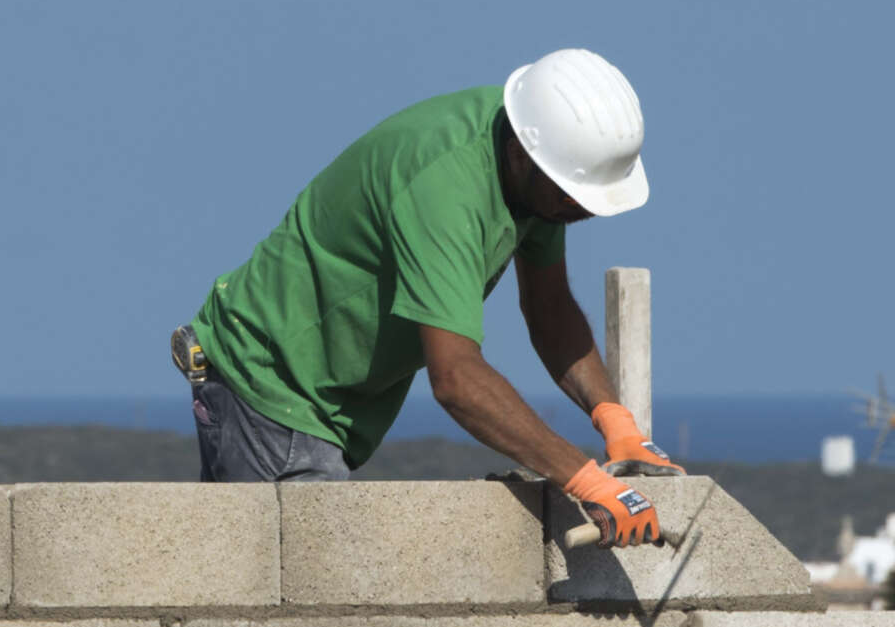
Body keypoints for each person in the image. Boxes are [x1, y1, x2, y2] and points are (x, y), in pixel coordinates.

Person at [172, 48, 674, 546]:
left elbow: (549, 307)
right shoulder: (447, 187)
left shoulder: (532, 170)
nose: (580, 209)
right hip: (274, 388)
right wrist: (585, 479)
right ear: (525, 152)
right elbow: (456, 379)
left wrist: (615, 419)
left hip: (322, 401)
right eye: (571, 195)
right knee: (300, 608)